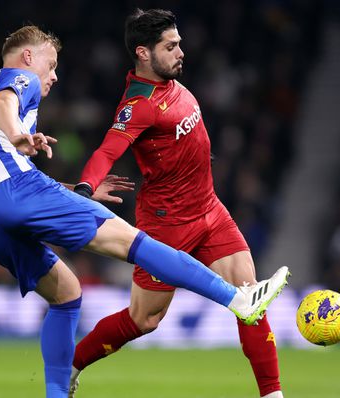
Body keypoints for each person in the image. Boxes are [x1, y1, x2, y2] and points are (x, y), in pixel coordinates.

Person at [0, 25, 289, 398]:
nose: (53, 75)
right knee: (132, 244)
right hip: (33, 193)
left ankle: (57, 391)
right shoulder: (18, 77)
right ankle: (236, 299)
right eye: (51, 65)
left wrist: (70, 191)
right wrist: (19, 135)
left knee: (66, 294)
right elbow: (8, 106)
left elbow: (5, 169)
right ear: (30, 57)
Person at [70, 9, 286, 398]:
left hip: (211, 210)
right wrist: (85, 189)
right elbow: (106, 151)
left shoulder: (172, 83)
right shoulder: (137, 106)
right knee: (143, 320)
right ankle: (69, 365)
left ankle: (273, 395)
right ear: (143, 53)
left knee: (250, 299)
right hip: (167, 226)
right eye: (171, 46)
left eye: (179, 43)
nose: (181, 52)